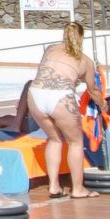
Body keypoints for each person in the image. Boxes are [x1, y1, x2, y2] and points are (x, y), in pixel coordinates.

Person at [32, 21, 98, 198]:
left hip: (36, 94)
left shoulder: (51, 48)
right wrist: (103, 104)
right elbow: (92, 90)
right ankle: (78, 189)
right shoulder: (85, 61)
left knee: (54, 139)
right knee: (75, 142)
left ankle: (54, 186)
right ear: (82, 38)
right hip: (61, 97)